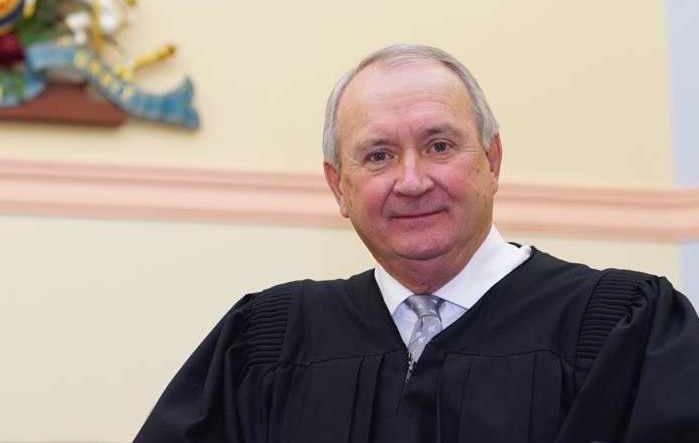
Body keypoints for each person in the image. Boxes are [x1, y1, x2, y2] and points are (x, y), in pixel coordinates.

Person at [132, 44, 699, 443]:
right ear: (339, 186)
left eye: (439, 145)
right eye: (378, 155)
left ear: (492, 160)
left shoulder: (622, 329)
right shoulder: (267, 341)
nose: (411, 180)